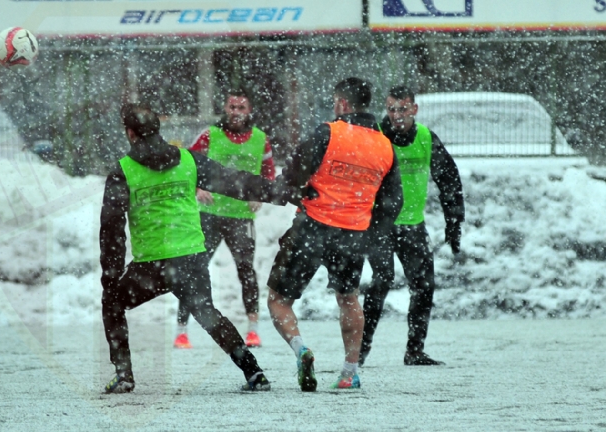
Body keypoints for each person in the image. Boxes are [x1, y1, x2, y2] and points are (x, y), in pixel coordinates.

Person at [99, 103, 299, 394]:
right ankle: (254, 373)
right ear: (158, 129)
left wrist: (111, 274)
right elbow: (236, 182)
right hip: (190, 259)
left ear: (130, 134)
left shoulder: (123, 171)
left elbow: (112, 231)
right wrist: (282, 193)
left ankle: (124, 374)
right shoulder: (188, 160)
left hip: (150, 265)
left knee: (113, 302)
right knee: (208, 313)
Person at [266, 77, 403, 391]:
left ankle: (301, 349)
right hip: (353, 233)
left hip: (312, 226)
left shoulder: (328, 133)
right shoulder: (386, 146)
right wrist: (371, 232)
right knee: (349, 298)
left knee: (278, 300)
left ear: (342, 103)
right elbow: (393, 201)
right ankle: (349, 371)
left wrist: (292, 189)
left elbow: (293, 174)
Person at [359, 86, 465, 367]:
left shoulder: (427, 139)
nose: (396, 115)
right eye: (391, 109)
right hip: (379, 224)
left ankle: (415, 351)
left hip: (413, 226)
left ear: (414, 109)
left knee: (424, 286)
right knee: (381, 282)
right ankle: (360, 351)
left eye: (403, 109)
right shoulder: (376, 137)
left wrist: (454, 222)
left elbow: (450, 182)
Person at [174, 88, 277, 350]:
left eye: (241, 108)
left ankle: (253, 330)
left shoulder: (260, 140)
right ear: (225, 108)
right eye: (232, 107)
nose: (236, 112)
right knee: (194, 269)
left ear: (249, 111)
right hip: (209, 214)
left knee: (246, 271)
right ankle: (181, 331)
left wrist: (261, 194)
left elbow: (268, 173)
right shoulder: (211, 135)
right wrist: (198, 188)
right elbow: (187, 163)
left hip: (240, 216)